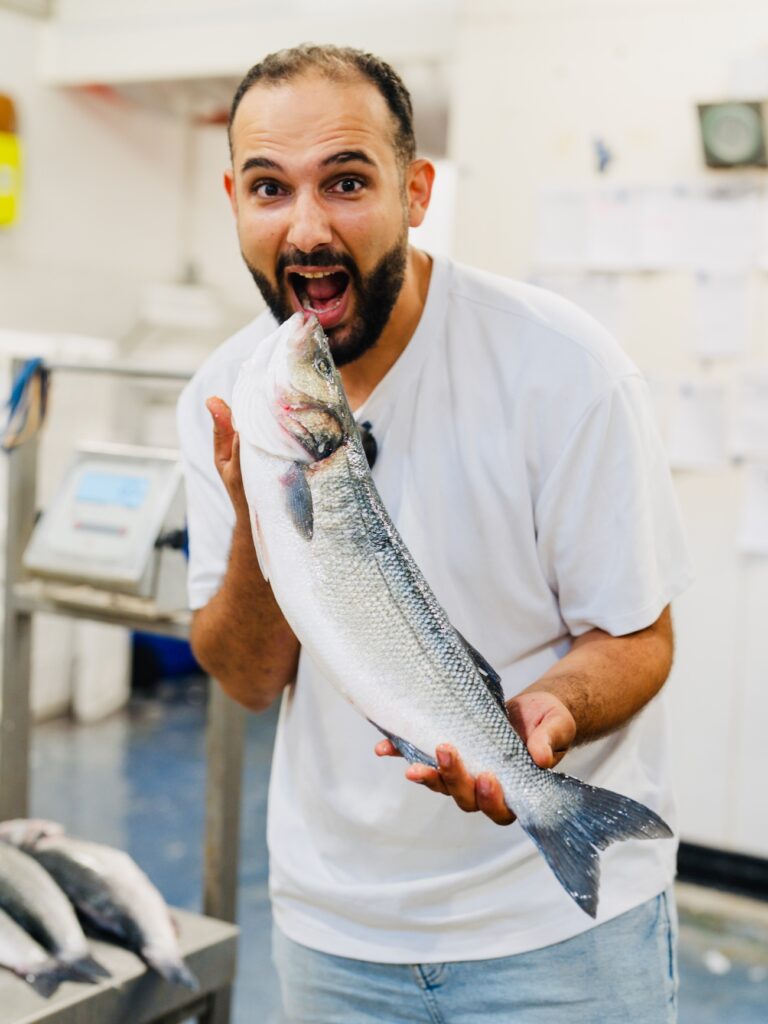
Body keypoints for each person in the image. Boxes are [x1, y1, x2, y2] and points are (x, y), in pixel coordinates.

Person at [177, 44, 692, 1023]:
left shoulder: (563, 369)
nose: (308, 224)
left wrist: (548, 711)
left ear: (416, 190)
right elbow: (247, 678)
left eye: (347, 180)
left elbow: (639, 636)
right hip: (335, 931)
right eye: (269, 187)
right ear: (235, 201)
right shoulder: (225, 393)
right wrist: (259, 519)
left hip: (557, 937)